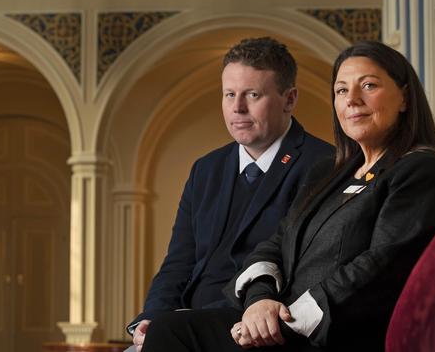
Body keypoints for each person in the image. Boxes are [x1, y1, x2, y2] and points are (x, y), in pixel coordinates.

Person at [140, 41, 435, 351]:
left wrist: (287, 320)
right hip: (278, 325)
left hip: (328, 332)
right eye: (342, 90)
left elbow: (381, 267)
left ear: (405, 98)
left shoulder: (421, 169)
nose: (352, 100)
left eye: (368, 86)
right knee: (167, 329)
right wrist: (259, 301)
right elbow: (274, 246)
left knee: (173, 334)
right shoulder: (330, 171)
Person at [127, 37, 334, 351]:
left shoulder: (323, 165)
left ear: (289, 99)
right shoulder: (206, 169)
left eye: (252, 94)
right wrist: (151, 317)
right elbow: (179, 263)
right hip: (182, 325)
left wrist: (179, 322)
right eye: (229, 94)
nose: (237, 107)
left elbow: (297, 273)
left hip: (252, 325)